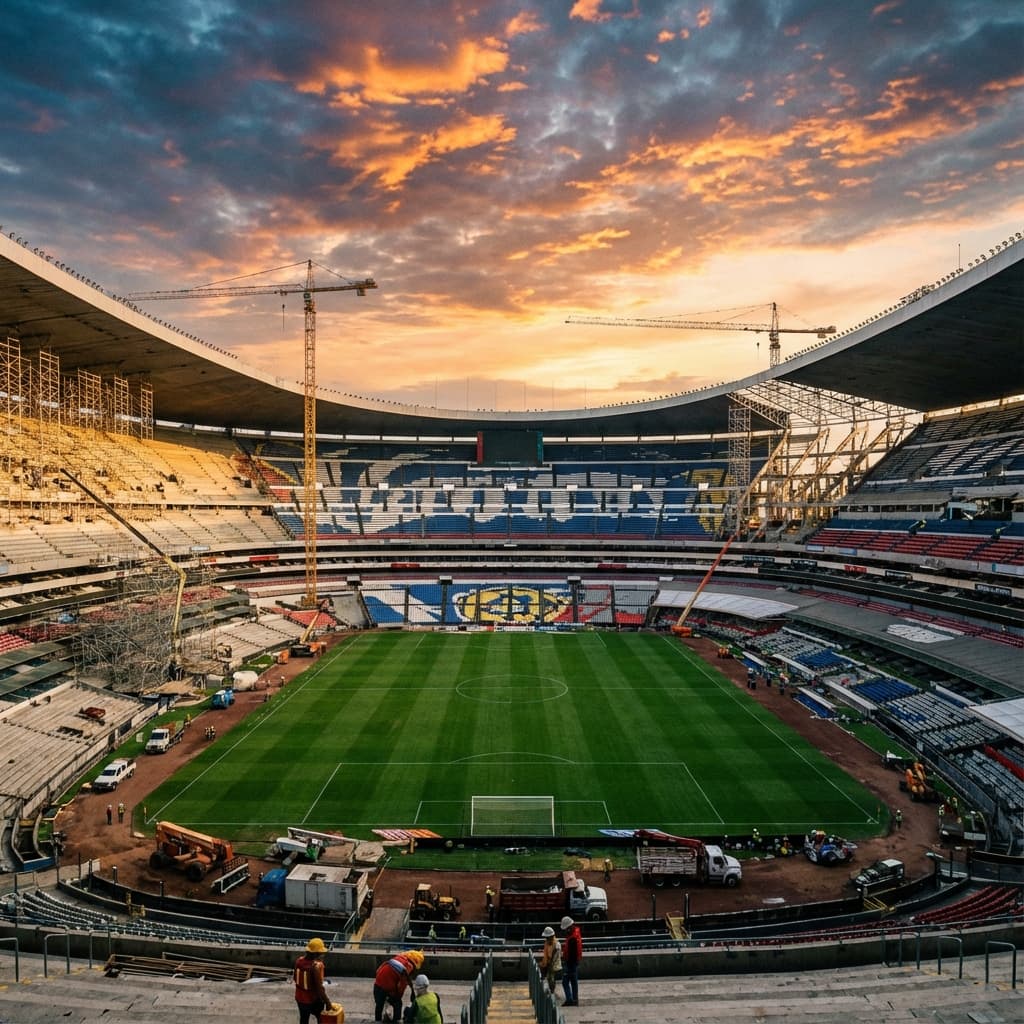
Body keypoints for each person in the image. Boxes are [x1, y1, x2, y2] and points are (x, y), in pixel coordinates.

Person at [374, 949, 424, 1022]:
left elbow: (379, 970)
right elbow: (402, 985)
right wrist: (398, 996)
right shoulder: (408, 966)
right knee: (398, 1004)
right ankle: (396, 1020)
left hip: (377, 983)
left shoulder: (398, 958)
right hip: (388, 987)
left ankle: (377, 1021)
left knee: (379, 1005)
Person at [293, 936, 330, 1024]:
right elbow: (320, 989)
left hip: (300, 998)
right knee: (320, 1018)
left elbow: (295, 978)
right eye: (321, 953)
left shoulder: (298, 961)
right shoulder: (315, 967)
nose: (323, 955)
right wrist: (328, 1003)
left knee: (304, 1020)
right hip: (312, 999)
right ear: (315, 954)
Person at [560, 915, 582, 1007]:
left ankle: (569, 999)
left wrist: (567, 963)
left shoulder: (572, 938)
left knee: (565, 981)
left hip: (571, 963)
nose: (565, 931)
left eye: (565, 929)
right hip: (575, 962)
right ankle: (575, 999)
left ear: (569, 928)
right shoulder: (575, 934)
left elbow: (571, 954)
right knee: (573, 981)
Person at [539, 925, 562, 994]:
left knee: (551, 978)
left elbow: (556, 956)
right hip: (549, 963)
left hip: (554, 964)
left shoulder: (557, 944)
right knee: (549, 978)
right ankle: (550, 990)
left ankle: (552, 991)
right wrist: (544, 963)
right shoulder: (546, 943)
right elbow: (546, 954)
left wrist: (551, 963)